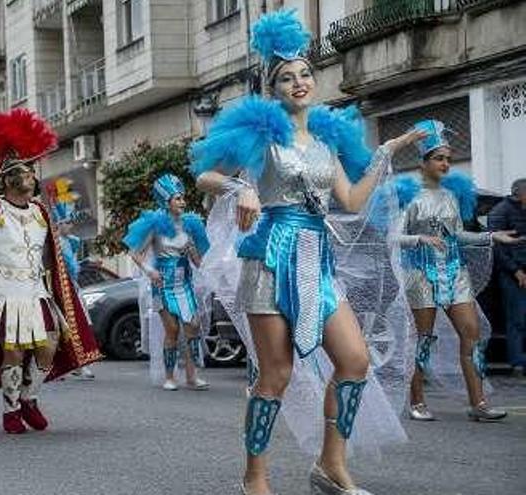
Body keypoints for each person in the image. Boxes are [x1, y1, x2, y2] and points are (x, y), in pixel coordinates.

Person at [190, 10, 425, 495]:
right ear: (272, 89)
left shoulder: (327, 142)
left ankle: (330, 466)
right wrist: (241, 189)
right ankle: (254, 476)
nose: (298, 83)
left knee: (355, 360)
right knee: (275, 374)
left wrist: (385, 154)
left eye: (304, 75)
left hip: (316, 262)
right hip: (269, 260)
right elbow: (204, 176)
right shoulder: (260, 135)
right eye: (285, 78)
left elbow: (353, 202)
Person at [0, 108, 102, 434]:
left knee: (48, 344)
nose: (32, 176)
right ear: (9, 180)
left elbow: (50, 255)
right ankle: (10, 410)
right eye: (25, 172)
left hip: (36, 291)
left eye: (30, 171)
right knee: (14, 351)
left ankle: (29, 398)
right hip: (3, 294)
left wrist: (63, 290)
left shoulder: (39, 211)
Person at [387, 121, 520, 422]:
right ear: (423, 163)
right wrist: (419, 238)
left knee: (472, 335)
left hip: (453, 272)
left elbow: (457, 235)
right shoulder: (408, 195)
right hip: (421, 274)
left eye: (448, 158)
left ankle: (479, 403)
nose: (446, 163)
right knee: (423, 339)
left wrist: (490, 236)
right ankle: (417, 401)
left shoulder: (450, 196)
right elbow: (392, 237)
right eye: (439, 158)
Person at [123, 174, 210, 391]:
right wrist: (150, 271)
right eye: (177, 198)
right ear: (166, 201)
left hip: (185, 281)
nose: (182, 201)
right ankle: (170, 377)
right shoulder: (155, 224)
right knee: (171, 330)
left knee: (193, 327)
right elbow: (135, 253)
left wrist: (193, 252)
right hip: (162, 283)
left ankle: (192, 375)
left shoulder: (191, 224)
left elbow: (199, 262)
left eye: (182, 198)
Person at [488, 177, 526, 376]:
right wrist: (515, 270)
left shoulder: (521, 210)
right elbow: (498, 248)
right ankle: (517, 362)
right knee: (517, 319)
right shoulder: (500, 212)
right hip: (512, 274)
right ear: (520, 193)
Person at [54, 202, 96, 380]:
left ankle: (81, 363)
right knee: (59, 327)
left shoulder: (72, 242)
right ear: (57, 224)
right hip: (57, 288)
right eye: (66, 222)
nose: (70, 225)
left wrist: (84, 264)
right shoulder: (51, 244)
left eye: (70, 222)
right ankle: (57, 366)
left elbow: (74, 267)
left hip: (72, 286)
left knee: (80, 324)